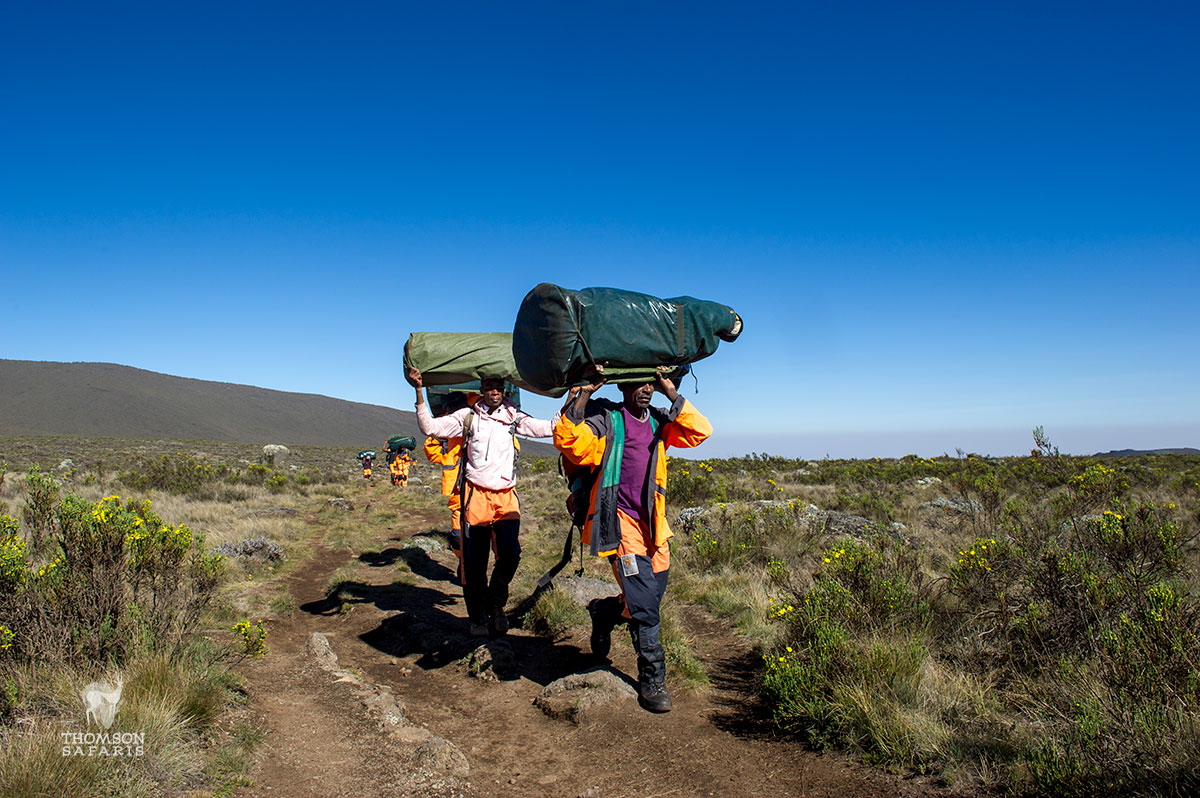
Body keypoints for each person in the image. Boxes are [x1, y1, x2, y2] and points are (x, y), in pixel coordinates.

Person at [554, 372, 711, 712]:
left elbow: (700, 431)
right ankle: (653, 678)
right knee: (644, 603)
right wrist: (583, 395)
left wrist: (671, 392)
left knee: (649, 593)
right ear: (623, 386)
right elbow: (568, 441)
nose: (646, 390)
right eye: (639, 384)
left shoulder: (659, 421)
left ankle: (606, 610)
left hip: (653, 525)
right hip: (620, 522)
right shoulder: (607, 421)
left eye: (651, 384)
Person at [407, 368, 557, 637]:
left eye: (498, 386)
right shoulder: (467, 417)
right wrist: (419, 391)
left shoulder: (514, 418)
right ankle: (478, 617)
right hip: (475, 496)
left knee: (510, 554)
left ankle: (496, 603)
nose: (494, 391)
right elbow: (429, 427)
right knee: (474, 563)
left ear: (505, 389)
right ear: (482, 388)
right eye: (489, 387)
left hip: (506, 497)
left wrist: (575, 396)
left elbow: (548, 428)